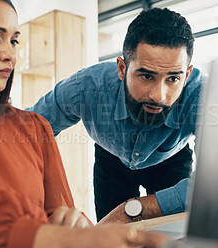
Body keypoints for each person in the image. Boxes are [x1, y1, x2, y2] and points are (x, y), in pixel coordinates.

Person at [0, 0, 170, 247]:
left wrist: (77, 226)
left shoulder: (34, 127)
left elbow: (61, 214)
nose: (9, 55)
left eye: (13, 40)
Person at [28, 8, 203, 223]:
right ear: (122, 68)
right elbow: (27, 131)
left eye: (173, 79)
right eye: (146, 76)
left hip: (171, 159)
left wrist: (131, 210)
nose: (159, 95)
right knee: (110, 236)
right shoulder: (85, 88)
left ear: (186, 75)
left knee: (171, 233)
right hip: (111, 159)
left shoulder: (202, 97)